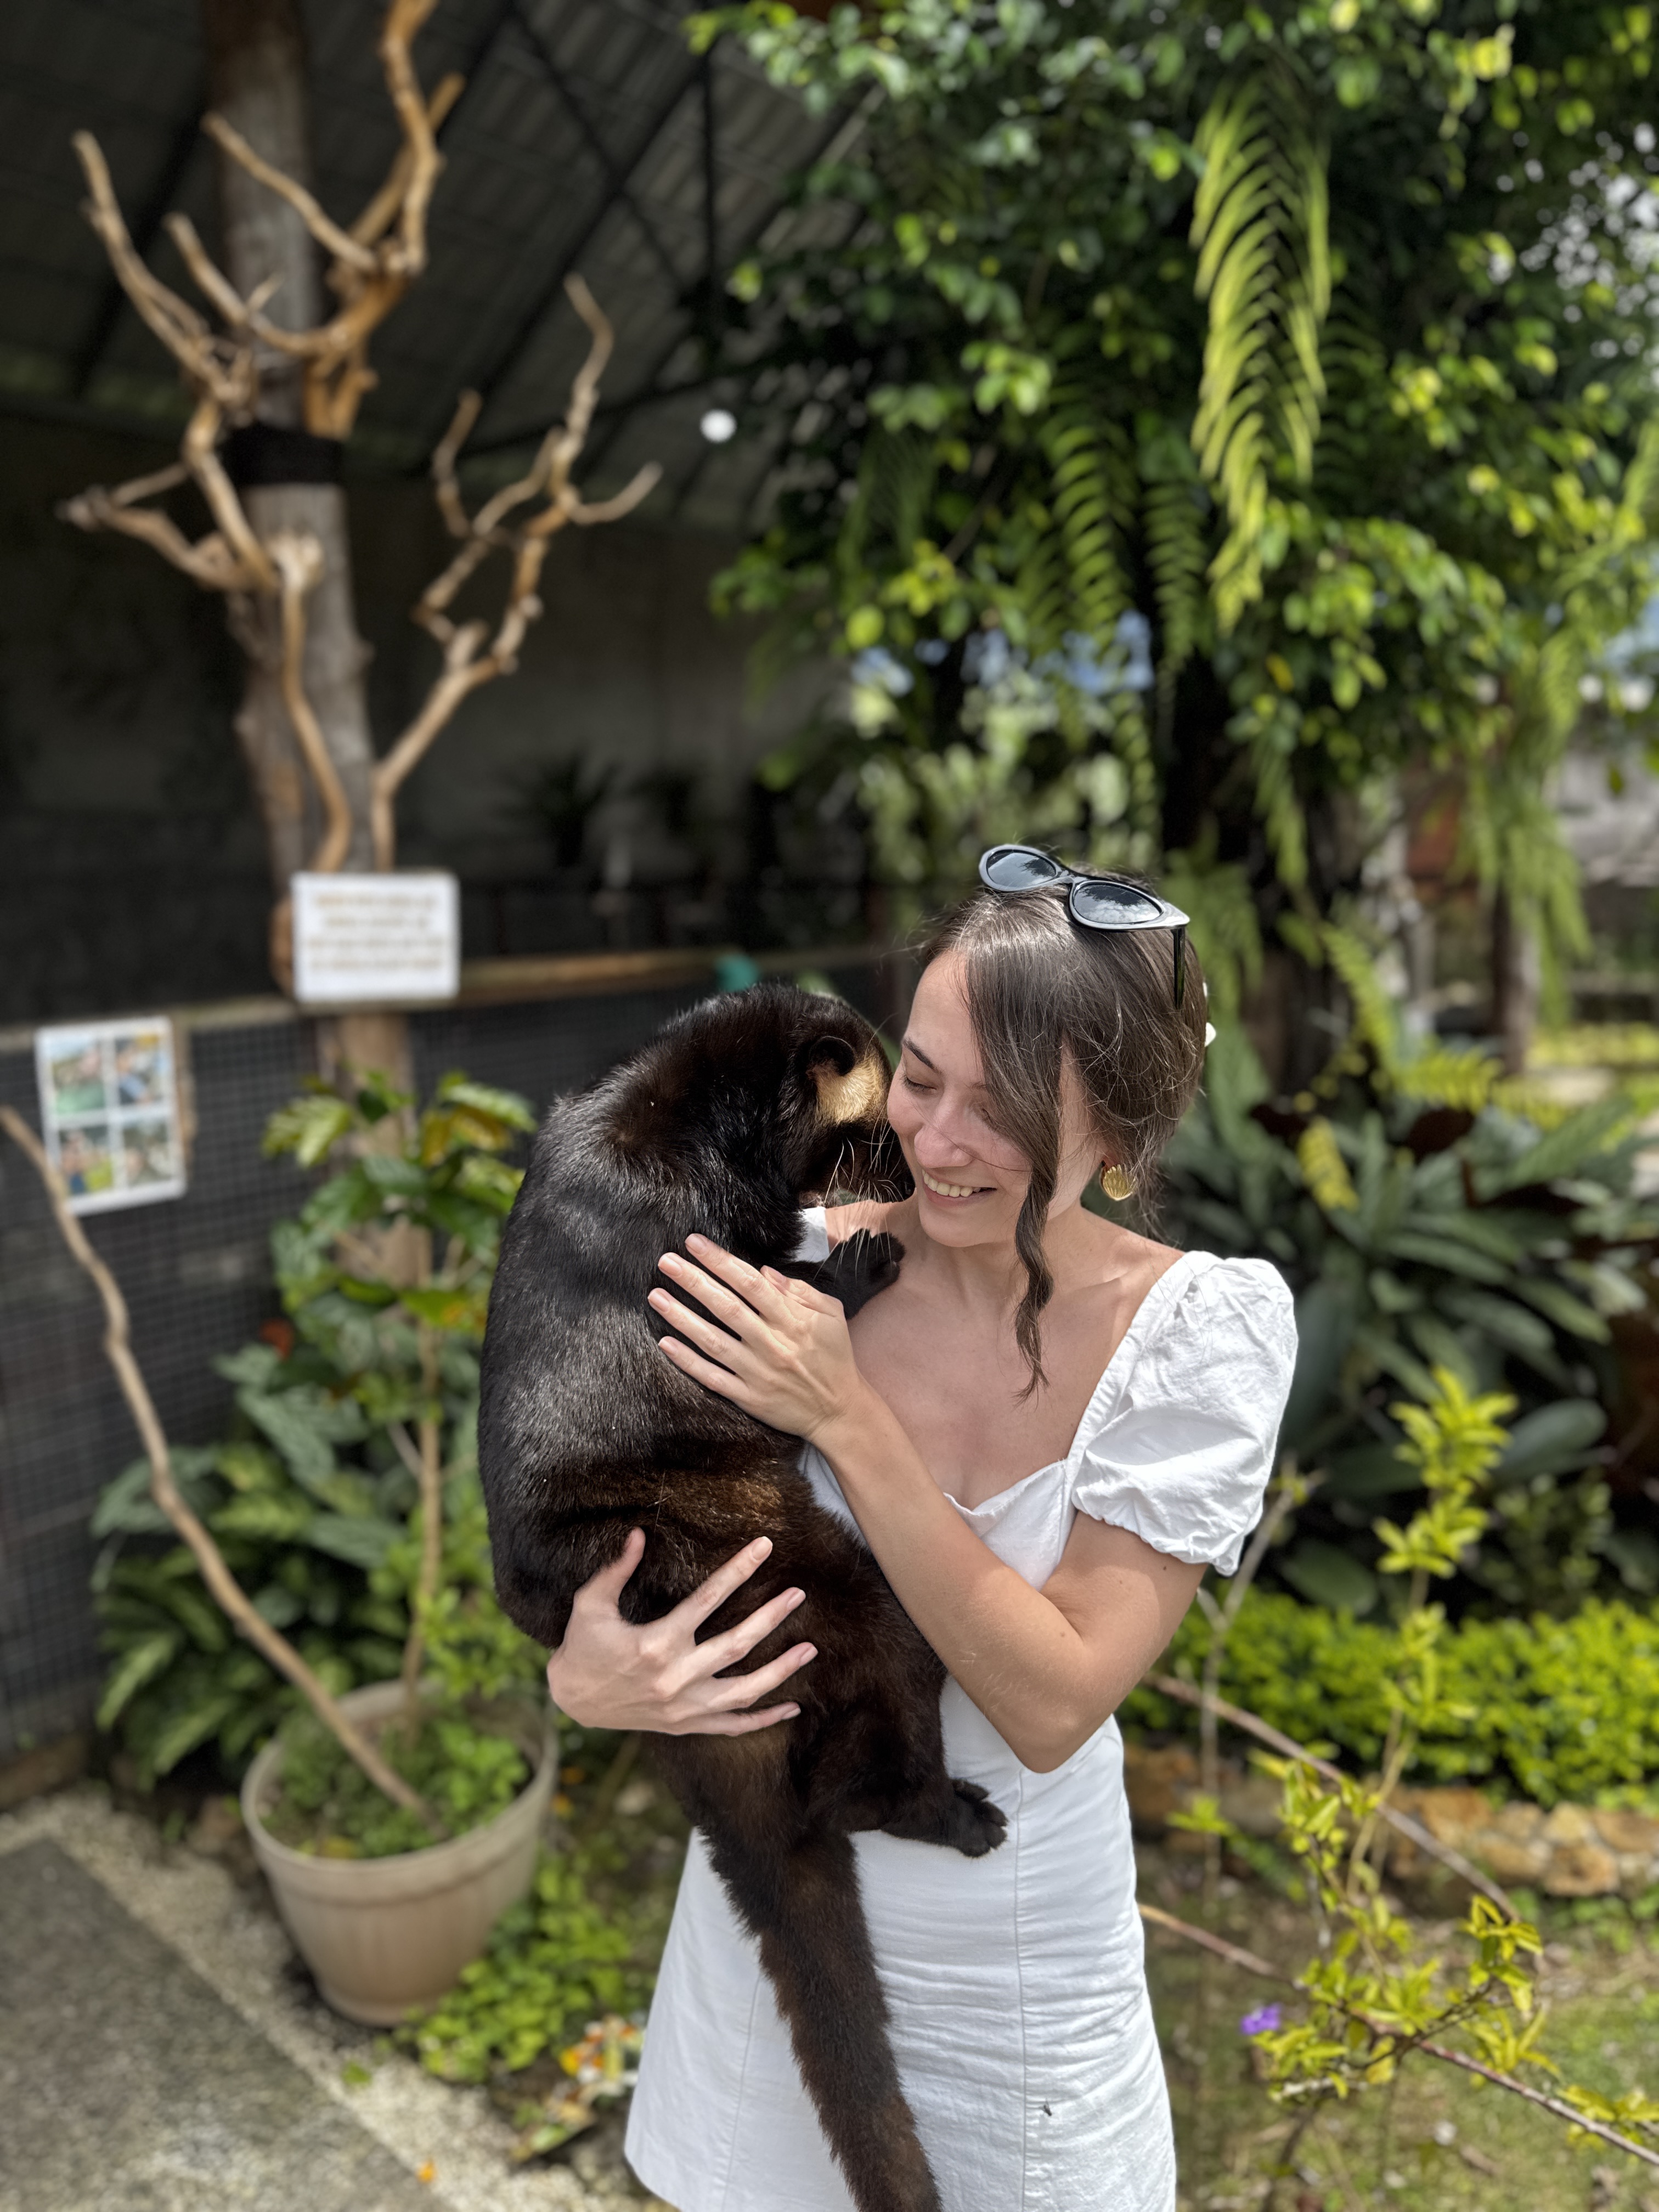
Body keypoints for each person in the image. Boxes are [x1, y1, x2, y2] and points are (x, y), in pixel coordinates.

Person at [545, 869, 1298, 2212]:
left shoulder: (1194, 1335)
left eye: (1002, 1110)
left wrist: (847, 1419)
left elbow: (1053, 1701)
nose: (938, 1141)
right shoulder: (779, 1265)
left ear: (1120, 1133)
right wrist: (586, 1671)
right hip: (777, 1930)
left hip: (1018, 1965)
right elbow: (603, 1498)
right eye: (925, 1079)